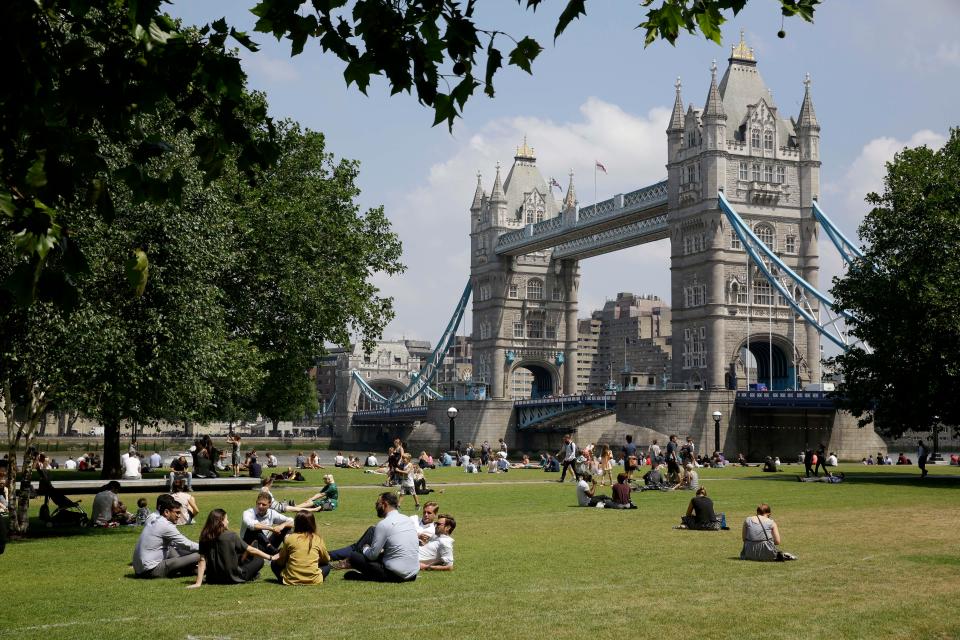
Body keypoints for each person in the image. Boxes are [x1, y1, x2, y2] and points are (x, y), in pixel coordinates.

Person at [329, 492, 419, 582]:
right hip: (412, 574)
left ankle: (353, 567)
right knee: (372, 536)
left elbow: (372, 556)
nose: (376, 507)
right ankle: (338, 559)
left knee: (354, 556)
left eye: (377, 504)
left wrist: (365, 548)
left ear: (384, 504)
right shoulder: (407, 519)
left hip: (395, 574)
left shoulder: (384, 524)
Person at [188, 509, 275, 587]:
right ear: (221, 522)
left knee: (240, 555)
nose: (228, 522)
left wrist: (198, 583)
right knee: (259, 560)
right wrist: (271, 557)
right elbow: (251, 550)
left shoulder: (204, 536)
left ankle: (245, 564)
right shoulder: (231, 536)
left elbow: (202, 560)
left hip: (213, 578)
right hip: (233, 577)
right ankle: (251, 573)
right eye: (226, 519)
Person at [132, 494, 200, 578]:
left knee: (172, 550)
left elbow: (177, 544)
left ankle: (192, 570)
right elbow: (186, 545)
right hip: (150, 570)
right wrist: (207, 546)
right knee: (200, 553)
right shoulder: (165, 525)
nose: (179, 516)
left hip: (140, 569)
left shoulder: (157, 520)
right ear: (166, 512)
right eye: (177, 513)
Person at [271, 511, 331, 584]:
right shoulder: (317, 539)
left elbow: (281, 561)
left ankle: (288, 577)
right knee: (327, 566)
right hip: (313, 580)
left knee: (274, 563)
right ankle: (313, 577)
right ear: (312, 523)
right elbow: (326, 559)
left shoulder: (290, 538)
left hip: (291, 580)